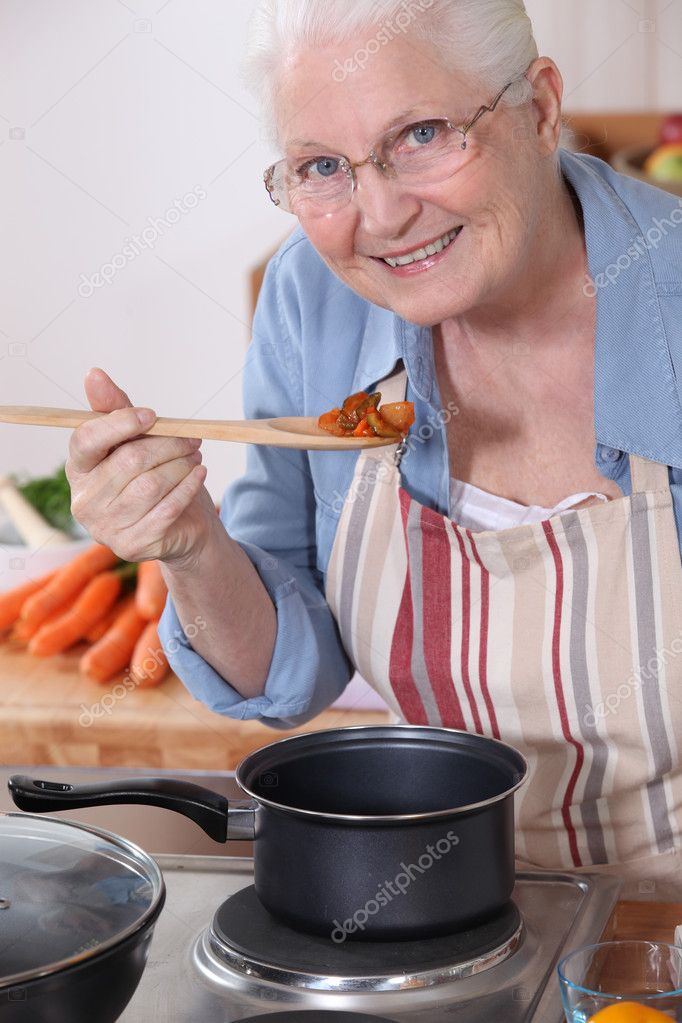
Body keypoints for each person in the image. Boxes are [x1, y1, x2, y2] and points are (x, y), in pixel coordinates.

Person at [66, 0, 682, 897]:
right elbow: (292, 671)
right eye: (322, 166)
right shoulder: (312, 300)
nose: (381, 215)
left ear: (542, 107)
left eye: (424, 134)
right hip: (431, 904)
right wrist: (192, 546)